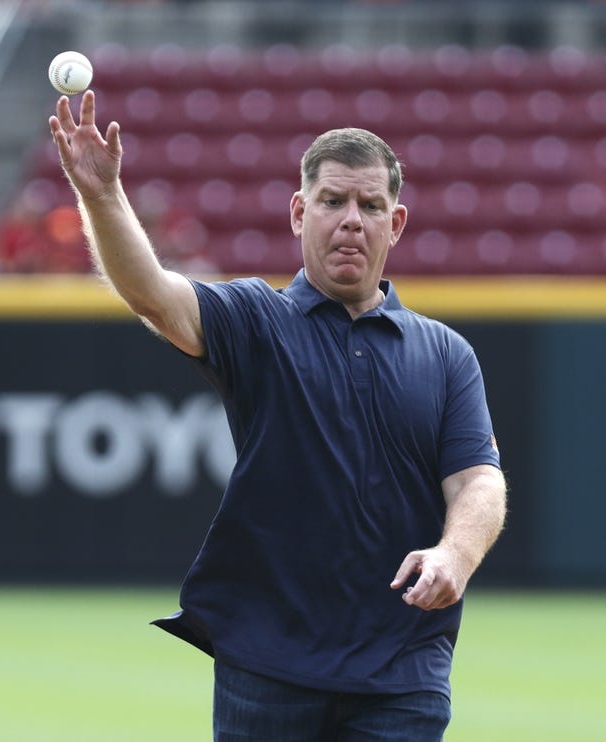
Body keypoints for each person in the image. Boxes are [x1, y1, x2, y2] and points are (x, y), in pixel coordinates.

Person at [50, 90, 507, 741]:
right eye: (332, 201)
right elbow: (154, 295)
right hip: (269, 663)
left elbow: (479, 481)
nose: (352, 220)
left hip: (403, 670)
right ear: (299, 212)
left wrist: (455, 556)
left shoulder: (445, 354)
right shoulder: (256, 321)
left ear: (395, 224)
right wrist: (100, 195)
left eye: (370, 206)